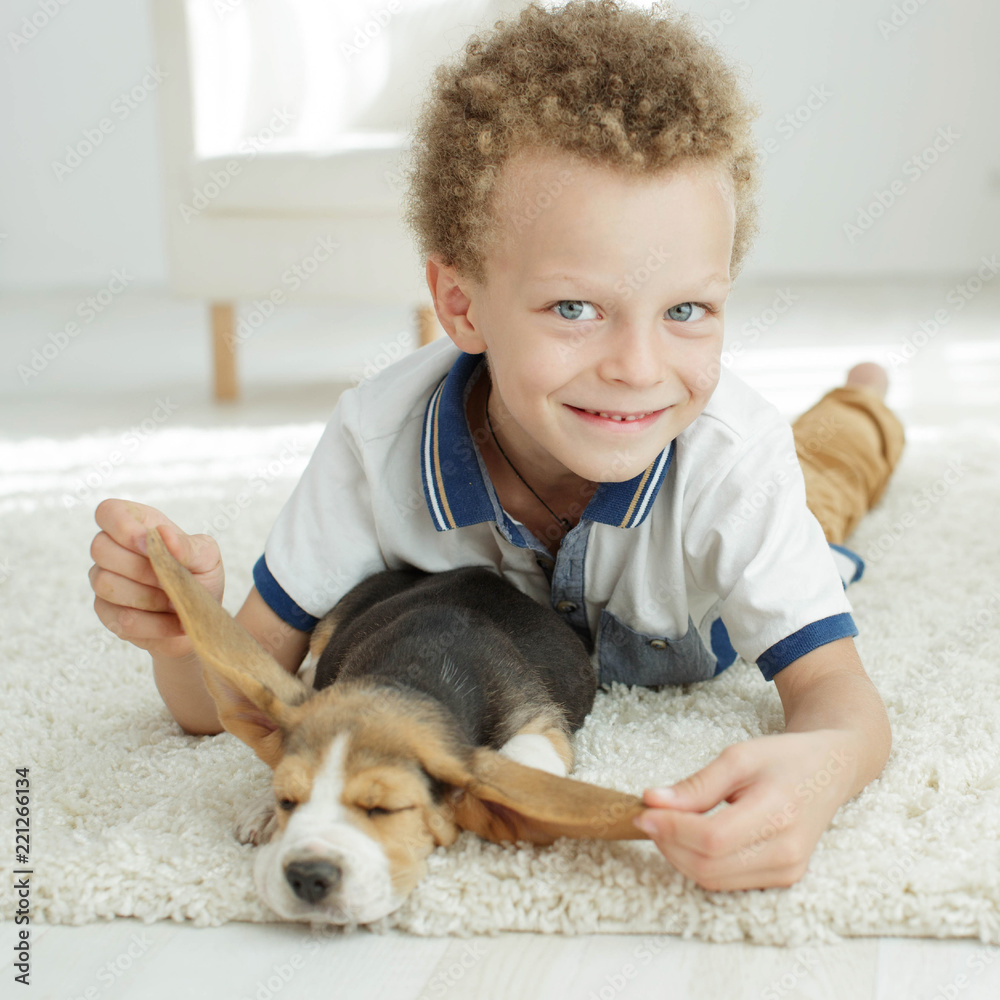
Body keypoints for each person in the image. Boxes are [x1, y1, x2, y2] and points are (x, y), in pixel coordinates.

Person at [89, 0, 905, 892]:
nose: (637, 367)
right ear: (462, 305)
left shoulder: (730, 456)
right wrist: (182, 635)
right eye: (574, 308)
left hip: (736, 533)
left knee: (828, 472)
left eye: (685, 311)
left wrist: (822, 773)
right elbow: (221, 709)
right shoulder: (377, 443)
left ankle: (863, 399)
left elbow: (844, 706)